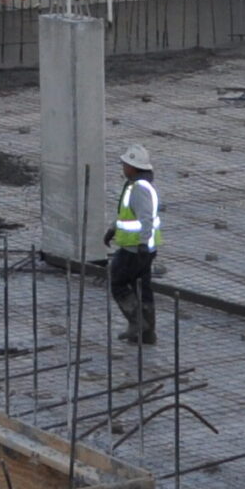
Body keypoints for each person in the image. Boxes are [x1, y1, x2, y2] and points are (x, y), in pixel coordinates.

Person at [105, 144, 161, 344]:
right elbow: (127, 215)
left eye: (125, 164)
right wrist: (113, 229)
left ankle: (137, 322)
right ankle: (147, 334)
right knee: (143, 288)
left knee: (118, 283)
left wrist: (143, 245)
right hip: (143, 247)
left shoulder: (139, 189)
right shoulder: (139, 185)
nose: (123, 167)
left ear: (133, 167)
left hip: (134, 248)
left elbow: (145, 218)